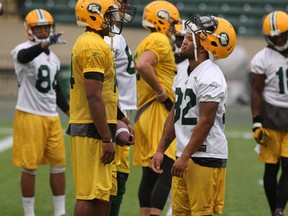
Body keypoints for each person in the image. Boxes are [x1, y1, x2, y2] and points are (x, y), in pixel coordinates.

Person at [152, 15, 236, 215]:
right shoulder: (184, 71)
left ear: (205, 45)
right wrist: (160, 149)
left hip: (205, 156)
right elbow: (175, 113)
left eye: (190, 38)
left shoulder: (211, 76)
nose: (183, 41)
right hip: (185, 154)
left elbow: (206, 122)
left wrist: (186, 156)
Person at [67, 0, 131, 215]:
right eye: (109, 14)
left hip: (98, 125)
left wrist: (121, 117)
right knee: (89, 194)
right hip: (91, 128)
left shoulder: (96, 42)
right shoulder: (93, 45)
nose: (113, 19)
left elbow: (105, 93)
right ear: (95, 15)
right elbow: (94, 96)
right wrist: (106, 138)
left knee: (102, 193)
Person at [11, 9, 69, 216]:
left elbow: (56, 89)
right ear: (29, 30)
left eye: (46, 28)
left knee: (59, 165)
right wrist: (44, 44)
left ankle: (60, 212)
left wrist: (69, 111)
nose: (44, 31)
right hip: (29, 115)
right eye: (39, 28)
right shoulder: (22, 49)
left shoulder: (52, 57)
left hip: (51, 116)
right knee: (30, 167)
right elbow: (23, 56)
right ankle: (29, 213)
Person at [132, 1, 180, 215]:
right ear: (162, 20)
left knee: (150, 174)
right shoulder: (159, 39)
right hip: (156, 112)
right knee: (166, 170)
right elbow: (143, 64)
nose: (173, 28)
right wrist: (161, 93)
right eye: (171, 23)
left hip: (145, 111)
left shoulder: (148, 40)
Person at [250, 10, 288, 216]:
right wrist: (256, 121)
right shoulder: (261, 58)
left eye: (282, 35)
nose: (279, 39)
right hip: (271, 115)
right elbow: (256, 91)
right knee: (271, 168)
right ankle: (275, 210)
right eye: (274, 37)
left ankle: (279, 209)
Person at [104, 0, 137, 215]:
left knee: (120, 176)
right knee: (113, 178)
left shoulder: (115, 34)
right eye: (121, 2)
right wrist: (118, 116)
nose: (124, 7)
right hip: (113, 111)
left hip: (119, 110)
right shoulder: (108, 38)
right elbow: (104, 83)